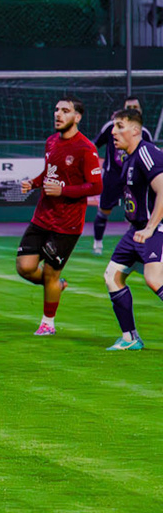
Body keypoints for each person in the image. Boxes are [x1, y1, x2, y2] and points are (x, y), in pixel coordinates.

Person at [16, 97, 103, 336]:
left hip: (67, 224)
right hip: (42, 216)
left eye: (65, 110)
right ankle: (56, 285)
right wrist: (33, 183)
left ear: (77, 117)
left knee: (51, 273)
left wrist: (63, 191)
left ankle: (48, 323)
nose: (58, 114)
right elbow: (49, 173)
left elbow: (96, 186)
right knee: (24, 267)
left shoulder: (86, 148)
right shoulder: (51, 141)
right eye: (56, 110)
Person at [101, 107, 163, 350]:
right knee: (112, 276)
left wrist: (150, 227)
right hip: (136, 231)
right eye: (113, 127)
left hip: (155, 228)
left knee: (154, 279)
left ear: (136, 130)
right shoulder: (128, 158)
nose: (113, 132)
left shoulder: (147, 152)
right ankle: (130, 338)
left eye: (120, 126)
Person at [93, 96, 149, 254]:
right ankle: (97, 244)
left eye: (135, 107)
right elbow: (94, 145)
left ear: (140, 110)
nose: (133, 110)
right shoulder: (110, 128)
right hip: (112, 178)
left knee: (136, 214)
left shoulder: (144, 133)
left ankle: (136, 246)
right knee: (104, 210)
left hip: (134, 180)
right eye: (129, 108)